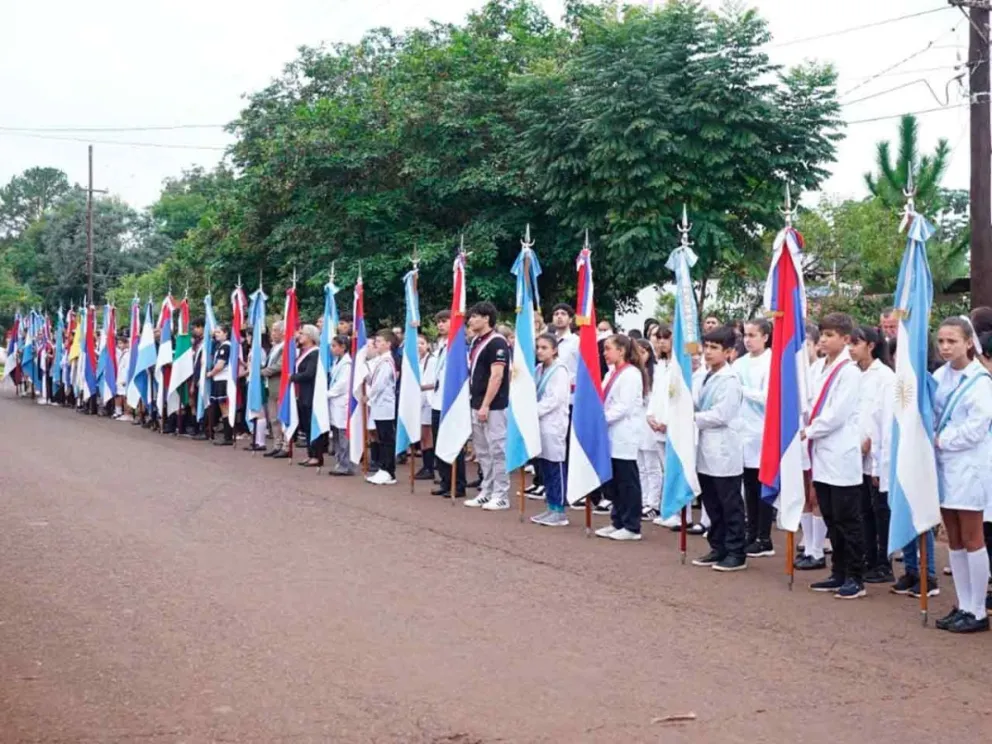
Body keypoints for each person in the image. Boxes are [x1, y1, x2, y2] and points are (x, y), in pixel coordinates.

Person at [932, 317, 992, 633]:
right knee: (953, 538)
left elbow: (976, 428)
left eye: (952, 341)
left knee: (972, 537)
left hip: (969, 467)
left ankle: (978, 610)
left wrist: (941, 440)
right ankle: (964, 603)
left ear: (968, 342)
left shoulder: (980, 381)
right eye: (941, 341)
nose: (945, 347)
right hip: (944, 467)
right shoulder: (939, 376)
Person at [804, 313, 865, 599]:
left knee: (847, 518)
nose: (825, 340)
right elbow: (809, 403)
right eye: (823, 335)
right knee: (829, 515)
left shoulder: (849, 372)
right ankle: (838, 571)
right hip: (822, 455)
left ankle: (855, 576)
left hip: (841, 453)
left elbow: (836, 414)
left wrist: (810, 430)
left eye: (831, 335)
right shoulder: (818, 368)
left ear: (845, 338)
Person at [690, 325, 746, 571]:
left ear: (729, 352)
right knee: (711, 502)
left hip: (724, 447)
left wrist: (691, 419)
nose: (708, 353)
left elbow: (722, 415)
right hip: (704, 447)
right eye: (707, 347)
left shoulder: (731, 380)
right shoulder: (703, 375)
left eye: (715, 348)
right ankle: (718, 546)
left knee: (729, 503)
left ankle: (736, 551)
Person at [847, 326, 898, 586]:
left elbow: (885, 421)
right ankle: (869, 557)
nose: (851, 348)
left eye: (856, 343)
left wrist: (878, 461)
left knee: (881, 510)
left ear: (871, 345)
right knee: (864, 509)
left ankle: (883, 561)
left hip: (877, 451)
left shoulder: (885, 377)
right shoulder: (855, 374)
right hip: (857, 451)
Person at [594, 334, 645, 541]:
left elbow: (623, 407)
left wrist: (600, 420)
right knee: (614, 480)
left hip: (624, 433)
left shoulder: (631, 374)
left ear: (621, 350)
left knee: (627, 480)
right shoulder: (611, 373)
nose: (605, 353)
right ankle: (618, 521)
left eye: (608, 348)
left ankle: (632, 525)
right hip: (610, 434)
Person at [463, 302, 511, 510]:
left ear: (486, 318)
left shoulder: (497, 343)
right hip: (476, 402)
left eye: (475, 316)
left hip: (494, 406)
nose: (470, 320)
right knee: (482, 450)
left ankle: (501, 494)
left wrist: (485, 405)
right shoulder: (475, 342)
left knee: (497, 449)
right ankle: (487, 489)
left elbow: (497, 375)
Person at [734, 318, 774, 558]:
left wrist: (742, 391)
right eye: (745, 335)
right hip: (744, 432)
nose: (748, 340)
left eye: (753, 335)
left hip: (762, 432)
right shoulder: (739, 364)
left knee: (763, 485)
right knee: (748, 486)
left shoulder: (772, 362)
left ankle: (764, 536)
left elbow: (768, 397)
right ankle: (751, 533)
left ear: (765, 337)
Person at [795, 321, 829, 569]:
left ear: (816, 345)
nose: (802, 349)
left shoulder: (821, 371)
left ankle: (818, 548)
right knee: (802, 495)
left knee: (816, 496)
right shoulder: (794, 373)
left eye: (806, 343)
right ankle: (808, 545)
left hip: (816, 438)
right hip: (797, 440)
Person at [531, 334, 570, 527]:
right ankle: (550, 506)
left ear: (554, 349)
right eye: (538, 347)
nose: (539, 351)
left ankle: (560, 509)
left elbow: (554, 399)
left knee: (556, 465)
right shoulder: (538, 369)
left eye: (544, 347)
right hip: (540, 424)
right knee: (545, 465)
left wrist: (532, 412)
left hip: (553, 424)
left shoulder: (560, 370)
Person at [429, 310, 466, 498]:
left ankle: (458, 484)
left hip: (452, 401)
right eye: (439, 322)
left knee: (454, 442)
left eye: (444, 321)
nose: (440, 325)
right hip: (437, 401)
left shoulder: (459, 346)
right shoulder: (440, 345)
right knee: (439, 442)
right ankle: (445, 480)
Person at [366, 329, 398, 486]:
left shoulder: (386, 361)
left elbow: (380, 384)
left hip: (384, 405)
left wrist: (369, 397)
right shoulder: (380, 360)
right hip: (379, 404)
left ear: (388, 344)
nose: (376, 344)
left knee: (387, 439)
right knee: (382, 437)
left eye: (379, 341)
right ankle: (383, 467)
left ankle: (389, 471)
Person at [635, 338, 662, 521]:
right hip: (637, 423)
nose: (640, 356)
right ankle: (643, 499)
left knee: (653, 466)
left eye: (644, 352)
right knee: (641, 466)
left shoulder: (657, 372)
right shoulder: (633, 373)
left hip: (650, 422)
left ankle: (653, 503)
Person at [293, 325, 323, 467]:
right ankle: (310, 454)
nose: (299, 336)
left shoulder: (314, 353)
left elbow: (309, 374)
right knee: (305, 425)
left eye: (302, 334)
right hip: (302, 393)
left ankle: (317, 455)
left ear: (311, 336)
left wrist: (292, 377)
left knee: (312, 425)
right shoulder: (303, 352)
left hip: (310, 393)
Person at [327, 334, 353, 476]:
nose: (332, 348)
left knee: (343, 435)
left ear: (343, 347)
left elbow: (343, 384)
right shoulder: (337, 361)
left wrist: (328, 394)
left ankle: (345, 464)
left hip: (341, 401)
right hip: (335, 402)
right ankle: (339, 461)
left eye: (334, 346)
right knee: (336, 433)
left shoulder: (347, 364)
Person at [261, 321, 288, 458]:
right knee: (273, 418)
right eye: (272, 330)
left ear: (283, 332)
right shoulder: (274, 348)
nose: (272, 333)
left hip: (280, 385)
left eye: (275, 330)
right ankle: (277, 444)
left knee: (282, 417)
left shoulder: (286, 347)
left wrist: (263, 372)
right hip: (270, 386)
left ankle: (286, 445)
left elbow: (280, 365)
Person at [206, 323, 233, 445]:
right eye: (215, 332)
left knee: (225, 407)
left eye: (219, 332)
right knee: (222, 408)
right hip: (219, 379)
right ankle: (227, 436)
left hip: (223, 379)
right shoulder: (220, 346)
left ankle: (228, 437)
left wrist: (210, 373)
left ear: (226, 333)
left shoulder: (226, 346)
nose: (216, 334)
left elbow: (220, 365)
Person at [415, 333, 435, 480]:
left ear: (427, 345)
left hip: (428, 401)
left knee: (426, 435)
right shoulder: (415, 361)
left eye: (422, 343)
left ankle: (429, 466)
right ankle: (426, 465)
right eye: (416, 344)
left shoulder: (433, 361)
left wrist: (420, 387)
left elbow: (436, 382)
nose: (419, 346)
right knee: (421, 435)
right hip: (418, 401)